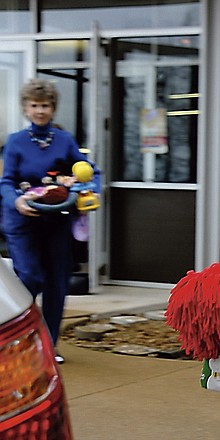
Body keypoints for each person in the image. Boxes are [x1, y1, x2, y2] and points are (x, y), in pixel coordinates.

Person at [0, 78, 101, 364]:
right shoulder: (16, 141)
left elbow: (91, 172)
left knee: (58, 282)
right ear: (25, 108)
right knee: (31, 276)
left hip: (56, 221)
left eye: (44, 105)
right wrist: (17, 201)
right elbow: (5, 182)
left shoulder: (64, 140)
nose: (39, 111)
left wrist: (87, 189)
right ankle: (13, 336)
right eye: (34, 105)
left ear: (53, 108)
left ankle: (48, 345)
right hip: (22, 220)